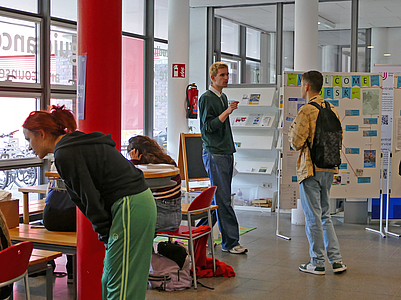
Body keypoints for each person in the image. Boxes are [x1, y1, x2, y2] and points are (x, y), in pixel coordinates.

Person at [22, 105, 156, 300]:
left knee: (122, 287)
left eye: (29, 139)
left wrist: (105, 233)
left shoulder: (65, 152)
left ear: (41, 134)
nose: (29, 146)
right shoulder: (74, 145)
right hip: (132, 204)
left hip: (130, 206)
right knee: (111, 279)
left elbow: (88, 198)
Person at [288, 70, 347, 275]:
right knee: (325, 215)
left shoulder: (307, 110)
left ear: (306, 86)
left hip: (310, 169)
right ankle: (337, 261)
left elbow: (295, 143)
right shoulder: (333, 108)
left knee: (312, 215)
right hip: (329, 168)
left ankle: (317, 262)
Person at [198, 61, 247, 254]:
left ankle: (198, 232)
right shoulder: (206, 98)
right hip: (215, 152)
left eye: (227, 74)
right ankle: (231, 242)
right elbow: (207, 127)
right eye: (222, 75)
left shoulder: (222, 96)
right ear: (213, 78)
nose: (226, 78)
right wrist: (227, 112)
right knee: (223, 198)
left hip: (225, 151)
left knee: (219, 199)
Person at [127, 135, 181, 232]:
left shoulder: (148, 173)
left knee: (124, 220)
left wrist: (134, 163)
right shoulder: (169, 163)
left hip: (158, 220)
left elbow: (131, 185)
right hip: (175, 218)